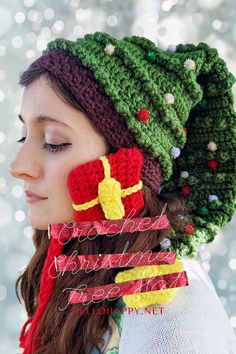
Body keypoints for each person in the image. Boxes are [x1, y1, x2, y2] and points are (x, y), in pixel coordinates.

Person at [8, 31, 236, 354]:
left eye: (54, 141)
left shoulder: (169, 306)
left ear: (125, 164)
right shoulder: (76, 263)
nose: (18, 166)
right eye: (23, 136)